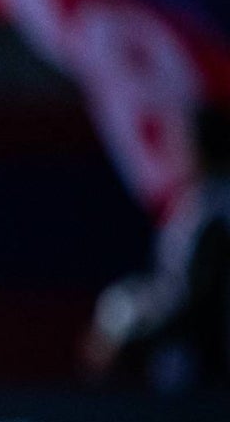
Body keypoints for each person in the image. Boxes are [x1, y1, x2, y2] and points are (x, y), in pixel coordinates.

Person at [86, 109, 230, 391]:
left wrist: (129, 333)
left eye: (182, 142)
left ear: (200, 148)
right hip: (184, 369)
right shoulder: (193, 207)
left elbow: (199, 297)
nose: (174, 149)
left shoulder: (214, 213)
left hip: (205, 377)